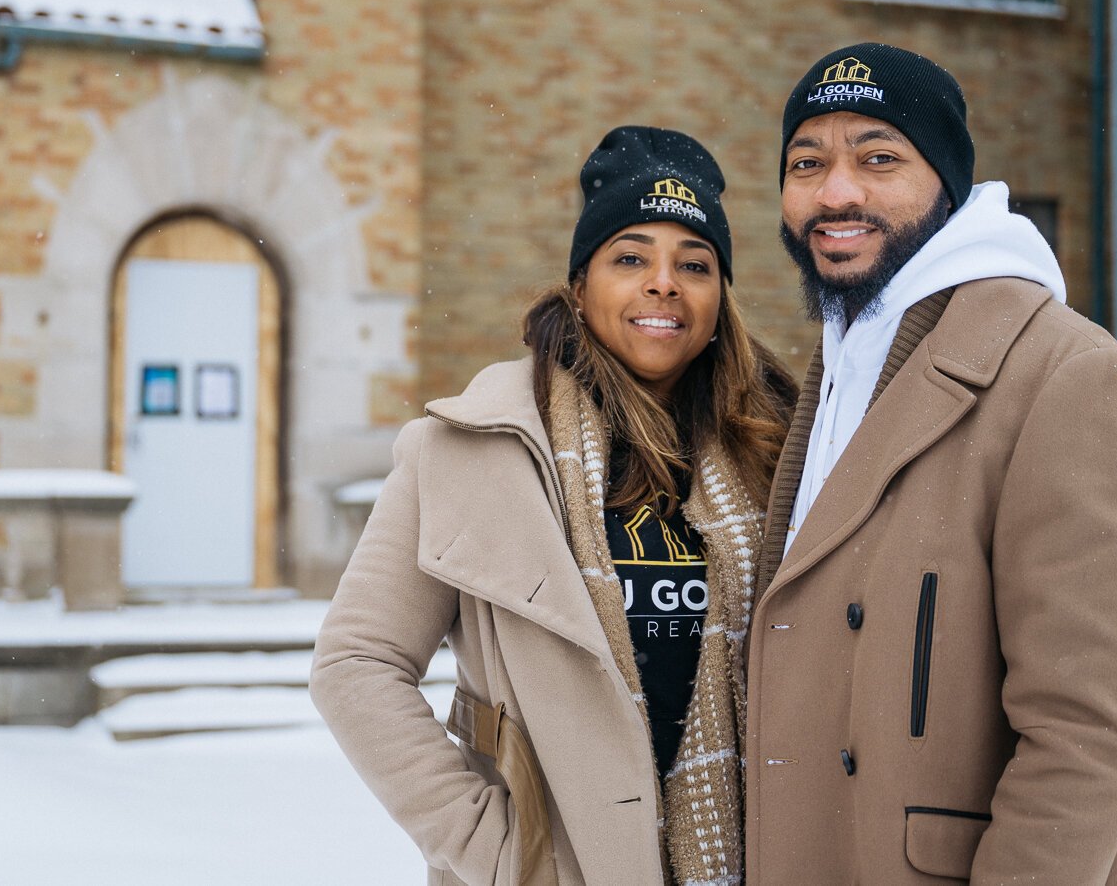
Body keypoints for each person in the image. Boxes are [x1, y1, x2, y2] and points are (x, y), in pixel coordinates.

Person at [312, 126, 797, 886]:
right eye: (630, 257)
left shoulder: (779, 456)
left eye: (693, 264)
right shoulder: (470, 448)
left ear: (718, 297)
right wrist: (502, 852)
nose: (663, 282)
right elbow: (356, 664)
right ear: (579, 286)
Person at [745, 43, 1117, 885]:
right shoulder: (844, 364)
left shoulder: (1071, 380)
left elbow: (1089, 742)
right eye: (807, 162)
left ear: (946, 185)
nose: (836, 192)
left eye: (878, 157)